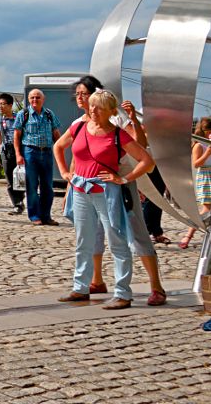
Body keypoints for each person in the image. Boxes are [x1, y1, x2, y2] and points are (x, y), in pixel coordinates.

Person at [69, 76, 168, 306]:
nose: (81, 98)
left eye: (85, 93)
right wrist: (70, 181)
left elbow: (141, 148)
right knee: (90, 236)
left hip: (119, 185)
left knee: (132, 234)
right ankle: (94, 281)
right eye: (79, 95)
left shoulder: (116, 120)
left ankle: (156, 286)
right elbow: (75, 154)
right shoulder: (79, 124)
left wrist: (124, 179)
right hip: (86, 187)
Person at [55, 90, 154, 310]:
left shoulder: (118, 134)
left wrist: (123, 179)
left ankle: (122, 292)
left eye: (98, 107)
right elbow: (58, 146)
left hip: (106, 192)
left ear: (110, 111)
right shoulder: (79, 127)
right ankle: (80, 287)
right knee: (84, 240)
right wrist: (64, 173)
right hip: (81, 190)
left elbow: (146, 161)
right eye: (92, 106)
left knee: (117, 240)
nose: (93, 110)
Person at [13, 89, 62, 226]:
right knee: (32, 186)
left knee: (48, 187)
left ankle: (46, 216)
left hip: (46, 153)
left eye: (38, 97)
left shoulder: (49, 114)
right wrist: (18, 154)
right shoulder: (23, 114)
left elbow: (56, 133)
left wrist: (60, 150)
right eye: (32, 97)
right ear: (28, 99)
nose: (35, 100)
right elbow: (16, 136)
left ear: (43, 99)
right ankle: (34, 216)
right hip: (30, 152)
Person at [180, 117, 211, 250]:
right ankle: (189, 235)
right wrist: (207, 154)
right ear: (208, 131)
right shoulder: (199, 145)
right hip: (207, 177)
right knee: (206, 209)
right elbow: (196, 163)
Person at [0, 93, 24, 215]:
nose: (1, 107)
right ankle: (17, 204)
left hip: (19, 149)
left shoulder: (19, 117)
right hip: (6, 151)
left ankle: (22, 199)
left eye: (3, 104)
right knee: (9, 179)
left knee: (22, 176)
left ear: (10, 105)